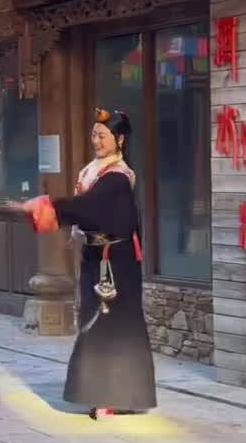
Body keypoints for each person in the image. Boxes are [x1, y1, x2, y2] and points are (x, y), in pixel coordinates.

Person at [14, 108, 156, 419]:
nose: (97, 141)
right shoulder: (94, 172)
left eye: (103, 136)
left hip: (115, 263)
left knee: (110, 324)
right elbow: (86, 209)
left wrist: (46, 206)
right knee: (96, 321)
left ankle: (116, 395)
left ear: (119, 140)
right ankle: (103, 393)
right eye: (94, 135)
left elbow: (88, 208)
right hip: (97, 258)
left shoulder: (117, 177)